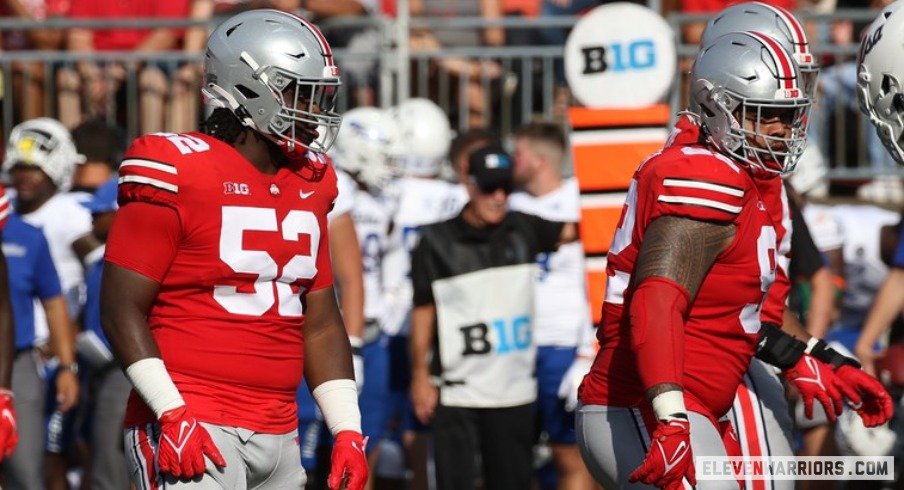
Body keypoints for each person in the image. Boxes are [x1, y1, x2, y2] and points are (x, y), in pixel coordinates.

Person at [100, 9, 367, 489]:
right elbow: (121, 308)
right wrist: (171, 412)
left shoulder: (312, 179)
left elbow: (322, 321)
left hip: (281, 430)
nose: (315, 109)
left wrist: (347, 429)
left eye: (321, 94)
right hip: (193, 420)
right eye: (298, 92)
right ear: (248, 87)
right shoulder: (176, 167)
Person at [576, 31, 817, 490]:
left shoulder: (737, 179)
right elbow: (657, 300)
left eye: (789, 116)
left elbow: (734, 316)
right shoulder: (706, 174)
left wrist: (806, 356)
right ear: (716, 107)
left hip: (695, 403)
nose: (783, 130)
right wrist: (670, 416)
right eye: (767, 116)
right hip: (641, 403)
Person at [410, 144, 576, 490]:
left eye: (506, 187)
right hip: (458, 393)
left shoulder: (525, 228)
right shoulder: (436, 241)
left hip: (513, 392)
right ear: (469, 185)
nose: (499, 196)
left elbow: (583, 230)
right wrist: (420, 375)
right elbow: (423, 311)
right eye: (489, 187)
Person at [1, 117, 92, 490]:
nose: (25, 178)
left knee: (28, 470)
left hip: (20, 359)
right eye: (19, 169)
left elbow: (56, 300)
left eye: (34, 169)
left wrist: (68, 363)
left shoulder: (30, 232)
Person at [507, 121, 596, 490]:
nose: (512, 160)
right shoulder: (508, 202)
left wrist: (588, 348)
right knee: (512, 458)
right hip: (515, 345)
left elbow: (600, 275)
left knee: (570, 455)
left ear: (540, 160)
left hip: (564, 345)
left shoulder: (581, 200)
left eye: (519, 153)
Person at [78, 177, 131, 490]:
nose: (92, 218)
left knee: (110, 467)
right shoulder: (100, 258)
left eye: (100, 212)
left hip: (122, 370)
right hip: (101, 371)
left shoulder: (127, 259)